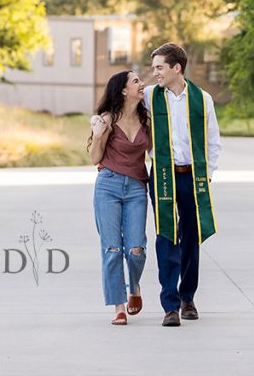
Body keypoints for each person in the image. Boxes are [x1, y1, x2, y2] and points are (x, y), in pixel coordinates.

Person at [143, 42, 220, 327]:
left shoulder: (203, 99)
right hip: (163, 174)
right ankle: (170, 304)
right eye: (154, 68)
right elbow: (121, 111)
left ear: (177, 68)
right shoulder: (149, 96)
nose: (155, 73)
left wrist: (207, 175)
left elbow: (213, 141)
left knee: (191, 235)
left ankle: (188, 297)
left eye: (160, 67)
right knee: (166, 235)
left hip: (192, 176)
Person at [89, 70, 151, 326]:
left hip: (137, 188)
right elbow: (94, 158)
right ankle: (118, 306)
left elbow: (157, 152)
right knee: (112, 249)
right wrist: (99, 133)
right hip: (108, 187)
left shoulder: (147, 120)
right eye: (136, 81)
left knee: (136, 250)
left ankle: (134, 285)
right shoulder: (107, 119)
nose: (142, 84)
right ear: (124, 90)